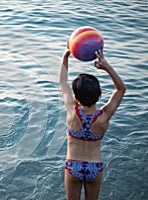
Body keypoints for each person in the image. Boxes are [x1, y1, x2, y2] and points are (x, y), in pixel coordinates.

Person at [59, 49, 126, 200]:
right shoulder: (104, 117)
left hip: (73, 165)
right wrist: (107, 66)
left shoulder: (72, 112)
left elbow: (63, 82)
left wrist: (65, 56)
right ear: (100, 93)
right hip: (94, 167)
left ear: (75, 98)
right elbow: (121, 89)